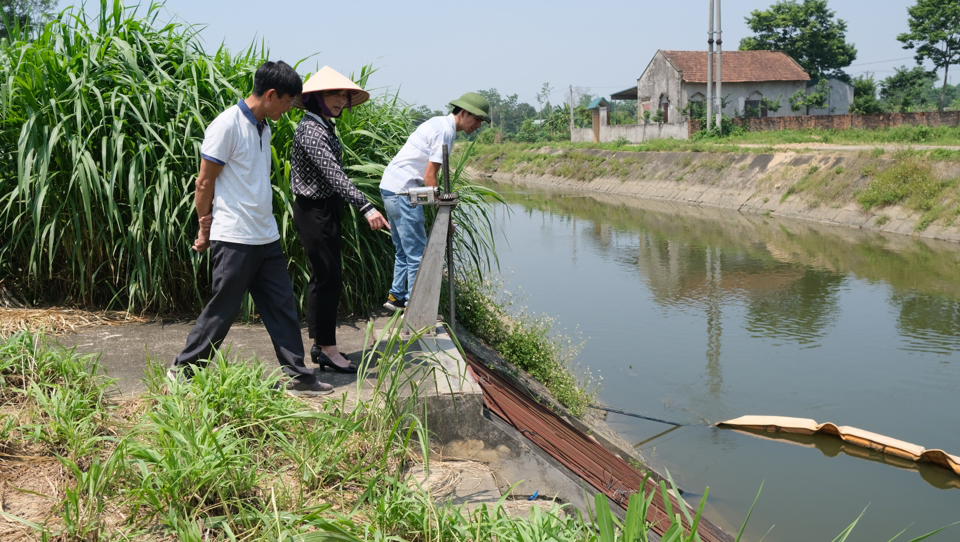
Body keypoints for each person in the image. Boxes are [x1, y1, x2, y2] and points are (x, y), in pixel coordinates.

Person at [168, 60, 333, 396]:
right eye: (286, 101)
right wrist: (204, 228)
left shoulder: (263, 126)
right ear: (270, 94)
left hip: (265, 235)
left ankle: (298, 377)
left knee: (282, 307)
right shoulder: (227, 125)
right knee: (223, 309)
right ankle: (183, 371)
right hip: (234, 237)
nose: (288, 109)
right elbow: (204, 183)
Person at [289, 66, 389, 373]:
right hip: (315, 210)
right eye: (334, 94)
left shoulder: (324, 125)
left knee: (324, 278)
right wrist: (366, 207)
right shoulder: (312, 129)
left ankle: (321, 345)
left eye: (344, 95)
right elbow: (335, 176)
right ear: (316, 97)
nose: (341, 100)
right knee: (328, 280)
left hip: (324, 209)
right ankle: (328, 351)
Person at [379, 92, 490, 311]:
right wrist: (445, 215)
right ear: (464, 112)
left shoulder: (438, 123)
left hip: (390, 188)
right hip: (405, 191)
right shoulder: (445, 131)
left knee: (403, 250)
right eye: (477, 119)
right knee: (418, 255)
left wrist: (442, 209)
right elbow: (430, 177)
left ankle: (396, 297)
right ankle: (414, 307)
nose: (478, 125)